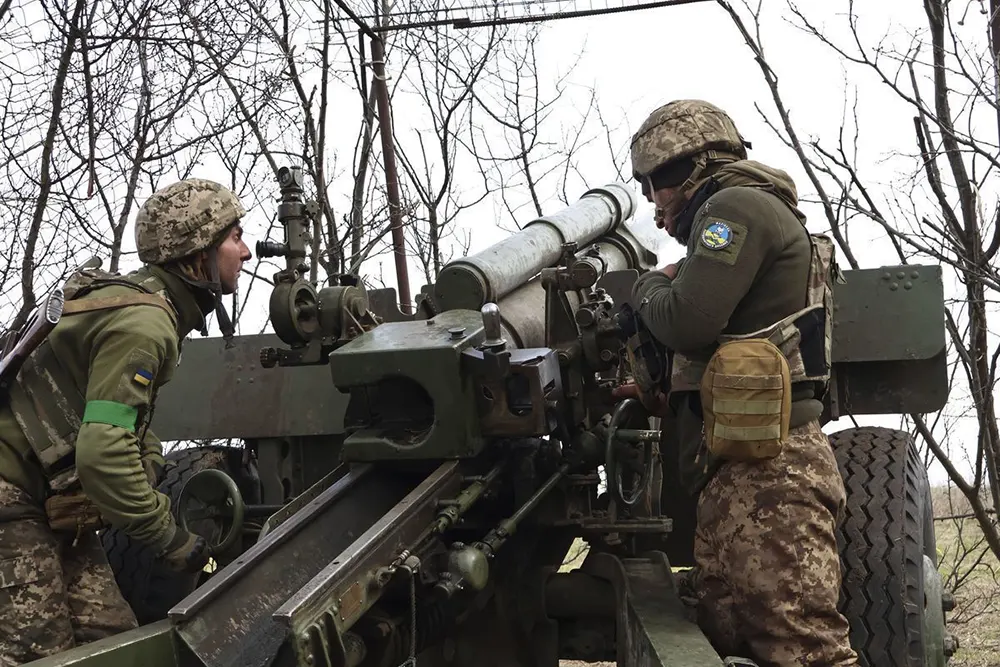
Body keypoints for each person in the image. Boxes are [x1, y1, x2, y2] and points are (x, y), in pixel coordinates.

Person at [616, 99, 859, 667]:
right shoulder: (749, 210)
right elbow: (726, 344)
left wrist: (648, 288)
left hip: (774, 473)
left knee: (803, 648)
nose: (656, 208)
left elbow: (687, 320)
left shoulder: (734, 207)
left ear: (691, 168)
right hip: (741, 469)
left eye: (658, 186)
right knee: (729, 638)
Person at [0, 178, 252, 664]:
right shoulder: (146, 323)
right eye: (234, 236)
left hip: (51, 504)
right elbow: (103, 455)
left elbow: (105, 416)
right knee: (38, 655)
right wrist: (171, 538)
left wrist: (150, 455)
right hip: (11, 498)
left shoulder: (137, 304)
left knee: (113, 643)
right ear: (198, 252)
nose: (245, 252)